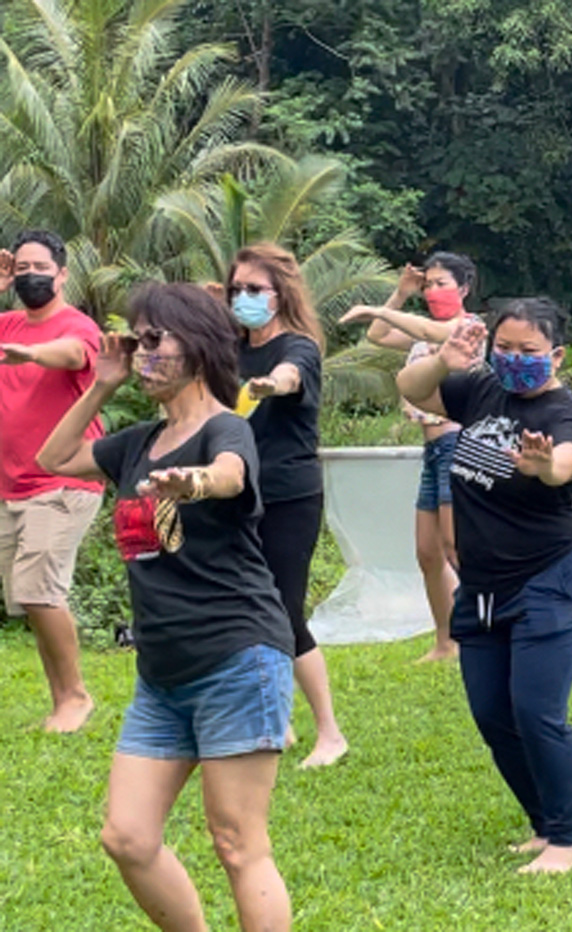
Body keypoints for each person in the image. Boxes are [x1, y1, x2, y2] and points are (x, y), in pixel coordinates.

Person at [37, 282, 297, 929]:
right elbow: (53, 457)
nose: (142, 352)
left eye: (155, 339)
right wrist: (101, 381)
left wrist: (198, 482)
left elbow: (232, 473)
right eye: (136, 338)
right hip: (162, 676)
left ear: (200, 345)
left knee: (238, 844)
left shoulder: (224, 428)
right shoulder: (135, 443)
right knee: (127, 836)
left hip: (236, 657)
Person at [398, 298, 572, 875]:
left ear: (554, 355)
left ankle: (566, 838)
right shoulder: (481, 391)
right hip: (480, 588)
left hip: (549, 579)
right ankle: (542, 821)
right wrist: (443, 358)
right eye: (503, 348)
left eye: (528, 352)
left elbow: (568, 460)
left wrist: (543, 467)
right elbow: (415, 389)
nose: (513, 360)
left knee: (537, 711)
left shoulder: (563, 412)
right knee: (492, 714)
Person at [227, 242, 348, 769]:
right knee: (243, 607)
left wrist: (269, 384)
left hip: (289, 495)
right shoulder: (228, 349)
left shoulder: (298, 347)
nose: (243, 298)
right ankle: (275, 721)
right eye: (236, 290)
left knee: (284, 612)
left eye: (254, 290)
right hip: (234, 493)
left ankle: (330, 733)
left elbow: (291, 376)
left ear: (281, 294)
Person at [339, 253, 480, 663]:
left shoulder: (468, 329)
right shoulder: (421, 337)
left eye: (442, 283)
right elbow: (379, 335)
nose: (433, 291)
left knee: (457, 546)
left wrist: (374, 308)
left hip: (460, 442)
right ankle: (445, 641)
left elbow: (436, 329)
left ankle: (484, 632)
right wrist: (400, 293)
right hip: (432, 448)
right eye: (429, 284)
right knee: (428, 551)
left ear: (465, 288)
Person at [0, 230, 104, 733]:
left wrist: (32, 353)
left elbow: (75, 354)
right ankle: (60, 698)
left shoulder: (75, 324)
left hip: (64, 482)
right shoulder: (7, 322)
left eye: (40, 267)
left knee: (39, 591)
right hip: (13, 486)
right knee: (29, 597)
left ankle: (76, 699)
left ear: (62, 274)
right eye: (20, 269)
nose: (31, 277)